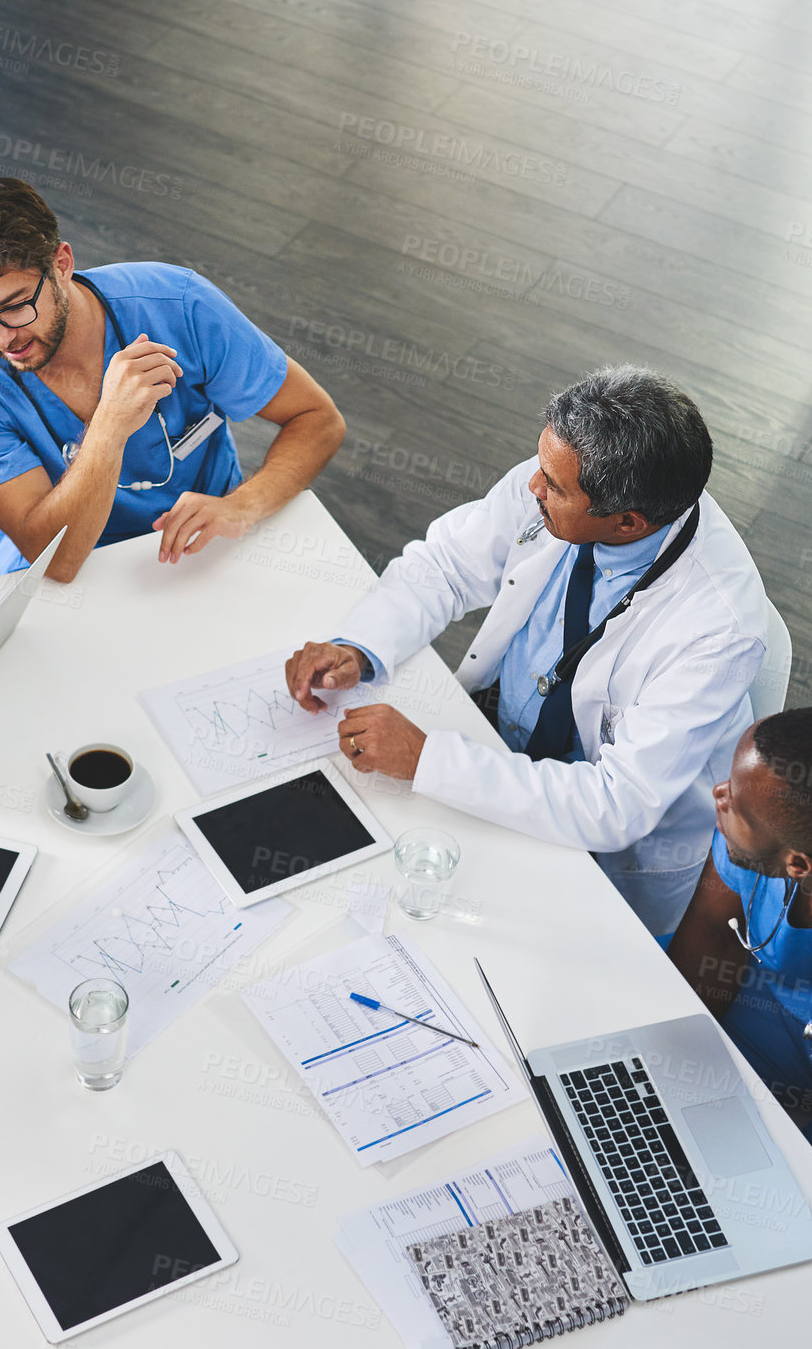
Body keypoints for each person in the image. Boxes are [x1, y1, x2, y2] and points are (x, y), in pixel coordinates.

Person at [285, 366, 769, 935]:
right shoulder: (561, 474)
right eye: (541, 468)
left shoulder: (717, 630)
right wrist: (361, 646)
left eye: (554, 486)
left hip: (600, 843)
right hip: (496, 745)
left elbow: (616, 805)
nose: (533, 487)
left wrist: (427, 759)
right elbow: (447, 565)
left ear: (626, 522)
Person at [0, 178, 345, 581]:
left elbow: (316, 418)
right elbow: (57, 563)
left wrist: (244, 506)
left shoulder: (179, 305)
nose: (0, 339)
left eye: (15, 306)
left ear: (61, 265)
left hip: (200, 538)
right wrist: (109, 427)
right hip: (66, 559)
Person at [667, 708, 812, 1258]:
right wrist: (663, 1066)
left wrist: (731, 1172)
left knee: (787, 1246)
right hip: (781, 1011)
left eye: (737, 806)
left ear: (798, 863)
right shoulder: (796, 807)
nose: (720, 795)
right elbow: (713, 934)